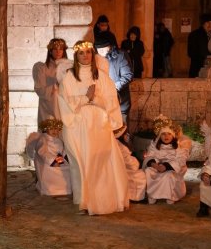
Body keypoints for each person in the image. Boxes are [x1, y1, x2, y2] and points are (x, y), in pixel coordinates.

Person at [57, 41, 128, 215]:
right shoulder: (70, 77)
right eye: (81, 53)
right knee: (82, 162)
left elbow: (111, 101)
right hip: (79, 126)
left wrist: (95, 99)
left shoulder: (102, 77)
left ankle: (103, 199)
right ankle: (85, 200)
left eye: (88, 52)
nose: (85, 56)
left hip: (99, 125)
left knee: (101, 160)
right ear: (76, 56)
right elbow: (65, 101)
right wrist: (85, 98)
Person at [142, 114, 189, 204]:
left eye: (169, 134)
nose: (166, 136)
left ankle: (170, 195)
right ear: (160, 135)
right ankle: (153, 195)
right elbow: (150, 156)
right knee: (149, 171)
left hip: (171, 168)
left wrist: (166, 166)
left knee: (169, 175)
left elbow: (181, 160)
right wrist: (154, 165)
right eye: (163, 134)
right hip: (157, 166)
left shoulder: (178, 146)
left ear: (173, 136)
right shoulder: (154, 144)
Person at [27, 118, 71, 197]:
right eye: (51, 129)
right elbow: (42, 152)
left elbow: (61, 152)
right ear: (46, 129)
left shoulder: (58, 140)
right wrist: (53, 161)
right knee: (56, 172)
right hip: (47, 163)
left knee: (67, 169)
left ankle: (65, 188)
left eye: (56, 129)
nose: (54, 131)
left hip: (57, 160)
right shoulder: (43, 140)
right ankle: (49, 189)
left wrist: (60, 160)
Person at [94, 32, 133, 123]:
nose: (102, 52)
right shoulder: (95, 58)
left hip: (120, 101)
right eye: (100, 49)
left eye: (105, 48)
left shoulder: (121, 56)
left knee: (121, 129)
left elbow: (127, 75)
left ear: (111, 46)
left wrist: (113, 88)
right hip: (102, 103)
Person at [33, 38, 69, 124]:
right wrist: (56, 84)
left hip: (66, 108)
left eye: (61, 49)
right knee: (49, 135)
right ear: (50, 51)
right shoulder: (41, 68)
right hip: (48, 107)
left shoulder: (69, 67)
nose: (58, 52)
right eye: (55, 49)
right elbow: (40, 89)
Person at [115, 124, 147, 202]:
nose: (127, 136)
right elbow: (129, 163)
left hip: (122, 168)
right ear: (121, 135)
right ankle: (135, 197)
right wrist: (137, 162)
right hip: (124, 170)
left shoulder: (118, 144)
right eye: (126, 134)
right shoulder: (120, 146)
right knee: (141, 176)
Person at [187, 13, 211, 78]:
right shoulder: (194, 35)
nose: (210, 25)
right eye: (207, 22)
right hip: (197, 67)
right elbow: (190, 52)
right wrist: (203, 59)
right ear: (203, 23)